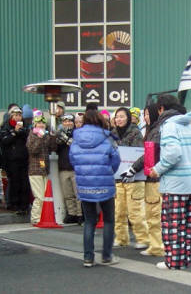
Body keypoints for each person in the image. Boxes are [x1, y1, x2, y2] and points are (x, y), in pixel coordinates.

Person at [148, 94, 191, 270]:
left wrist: (157, 169)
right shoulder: (187, 125)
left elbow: (173, 154)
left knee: (172, 225)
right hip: (189, 182)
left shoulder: (169, 126)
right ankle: (184, 260)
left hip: (174, 184)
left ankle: (172, 261)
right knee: (185, 226)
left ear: (162, 108)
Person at [69, 110, 121, 267]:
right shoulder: (107, 138)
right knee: (109, 220)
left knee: (89, 221)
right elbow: (116, 160)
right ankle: (106, 256)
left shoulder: (76, 139)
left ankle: (88, 257)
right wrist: (108, 171)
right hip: (105, 184)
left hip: (85, 185)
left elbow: (72, 160)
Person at [123, 103, 163, 256]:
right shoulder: (151, 130)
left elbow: (149, 154)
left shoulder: (156, 131)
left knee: (154, 214)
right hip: (150, 177)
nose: (145, 117)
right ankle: (155, 245)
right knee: (151, 214)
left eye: (148, 114)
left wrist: (133, 168)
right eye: (144, 114)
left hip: (154, 177)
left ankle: (157, 247)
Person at [110, 107, 148, 249]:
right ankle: (121, 238)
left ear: (128, 117)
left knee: (135, 211)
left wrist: (132, 170)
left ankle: (143, 238)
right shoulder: (112, 134)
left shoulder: (135, 132)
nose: (118, 119)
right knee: (119, 211)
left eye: (121, 116)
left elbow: (140, 154)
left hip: (134, 178)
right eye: (117, 117)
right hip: (118, 178)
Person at [26, 114, 56, 224]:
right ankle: (35, 218)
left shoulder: (45, 135)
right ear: (35, 124)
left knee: (45, 196)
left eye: (43, 123)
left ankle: (42, 216)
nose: (41, 125)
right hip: (35, 170)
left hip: (44, 169)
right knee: (39, 197)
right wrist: (39, 137)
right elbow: (33, 150)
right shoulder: (32, 135)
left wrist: (53, 136)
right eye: (39, 123)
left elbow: (53, 148)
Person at [0, 106, 30, 214]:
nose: (18, 117)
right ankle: (14, 203)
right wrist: (14, 132)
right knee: (14, 181)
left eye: (19, 115)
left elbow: (28, 138)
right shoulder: (6, 126)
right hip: (11, 159)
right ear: (11, 116)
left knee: (24, 182)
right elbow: (4, 141)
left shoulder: (25, 126)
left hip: (24, 158)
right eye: (16, 115)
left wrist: (22, 131)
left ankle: (24, 204)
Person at [55, 113, 82, 224]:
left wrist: (67, 139)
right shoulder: (59, 134)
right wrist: (59, 139)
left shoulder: (78, 133)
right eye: (65, 121)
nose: (67, 123)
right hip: (64, 167)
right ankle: (72, 213)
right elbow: (54, 148)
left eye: (70, 121)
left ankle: (80, 214)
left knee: (78, 194)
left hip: (76, 168)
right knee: (67, 194)